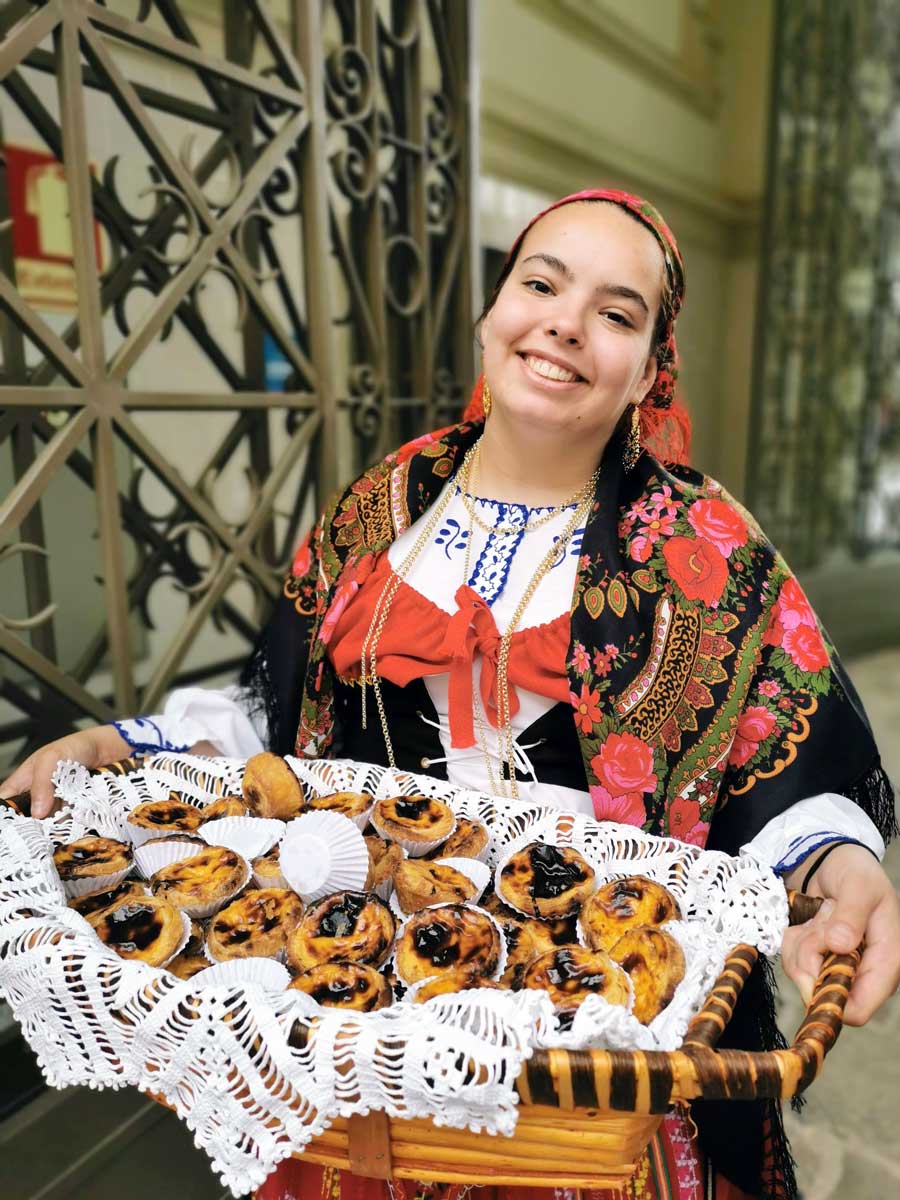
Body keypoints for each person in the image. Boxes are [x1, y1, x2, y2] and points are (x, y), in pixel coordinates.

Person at [2, 189, 898, 1200]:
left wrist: (837, 871)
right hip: (379, 994)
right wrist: (118, 744)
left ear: (652, 369)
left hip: (594, 1035)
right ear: (493, 310)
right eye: (540, 283)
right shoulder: (382, 506)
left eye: (615, 312)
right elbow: (276, 721)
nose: (564, 322)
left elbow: (786, 744)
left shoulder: (706, 547)